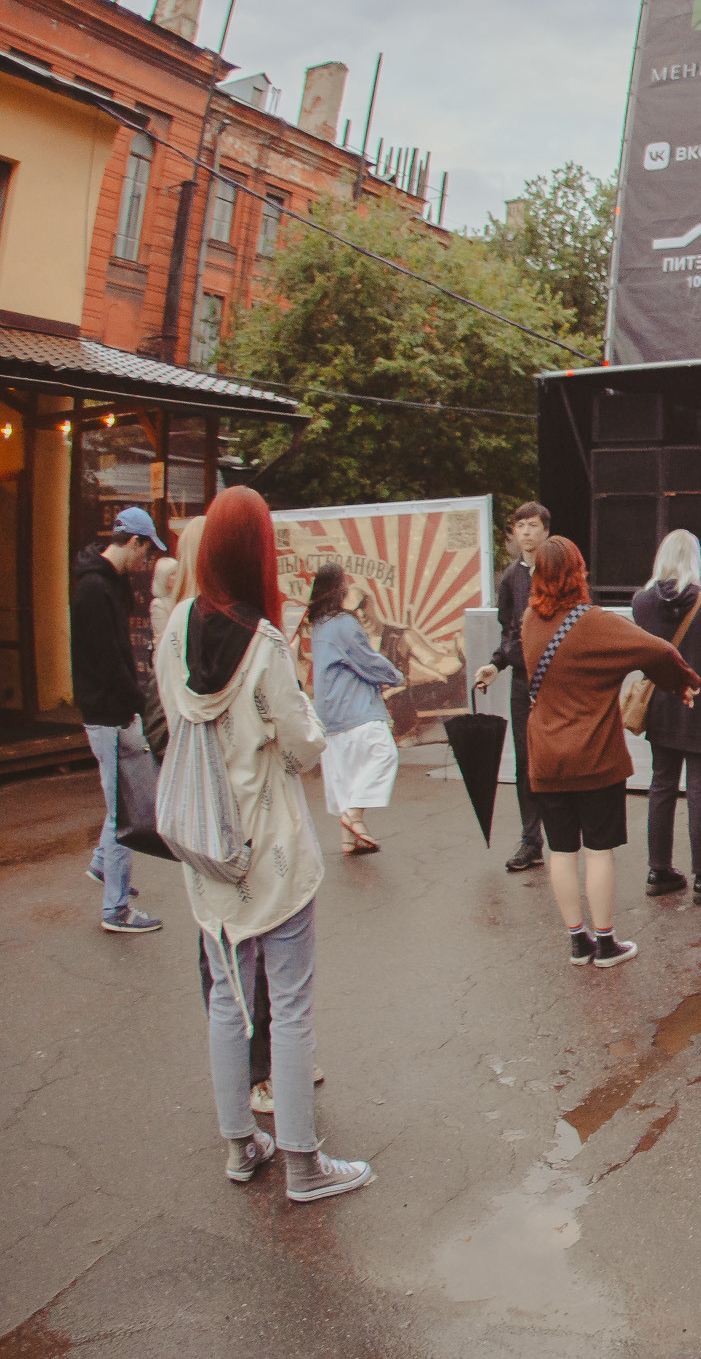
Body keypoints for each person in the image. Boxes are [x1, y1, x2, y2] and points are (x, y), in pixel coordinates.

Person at [159, 486, 372, 1203]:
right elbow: (306, 745)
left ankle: (240, 1145)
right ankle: (305, 1164)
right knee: (290, 1004)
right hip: (273, 857)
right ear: (255, 552)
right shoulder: (264, 643)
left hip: (205, 855)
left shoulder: (176, 625)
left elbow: (176, 719)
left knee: (228, 998)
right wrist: (283, 744)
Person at [520, 536, 699, 968]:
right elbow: (658, 649)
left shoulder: (529, 620)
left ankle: (576, 942)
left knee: (561, 851)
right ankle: (605, 943)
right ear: (578, 572)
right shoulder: (594, 622)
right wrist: (683, 682)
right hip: (594, 757)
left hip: (544, 754)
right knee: (598, 851)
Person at [633, 530, 701, 906]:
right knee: (700, 789)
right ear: (695, 560)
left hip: (662, 704)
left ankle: (658, 870)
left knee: (661, 784)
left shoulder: (641, 603)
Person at [74, 504, 165, 935]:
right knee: (124, 813)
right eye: (146, 553)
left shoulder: (101, 582)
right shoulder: (96, 587)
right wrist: (138, 705)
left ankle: (101, 866)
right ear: (134, 542)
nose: (146, 563)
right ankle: (116, 911)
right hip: (110, 713)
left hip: (110, 711)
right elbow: (109, 658)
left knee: (123, 805)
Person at [472, 502, 553, 872]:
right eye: (520, 526)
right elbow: (509, 633)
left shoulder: (559, 573)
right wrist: (495, 664)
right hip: (521, 683)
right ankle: (531, 840)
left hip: (554, 683)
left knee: (559, 758)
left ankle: (567, 832)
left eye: (532, 525)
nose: (525, 532)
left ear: (545, 531)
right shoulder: (510, 578)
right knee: (525, 762)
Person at [305, 563, 402, 856]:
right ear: (338, 589)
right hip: (353, 704)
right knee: (384, 754)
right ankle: (354, 817)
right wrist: (395, 676)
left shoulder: (319, 624)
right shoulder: (343, 624)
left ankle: (350, 839)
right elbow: (366, 659)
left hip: (330, 709)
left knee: (344, 769)